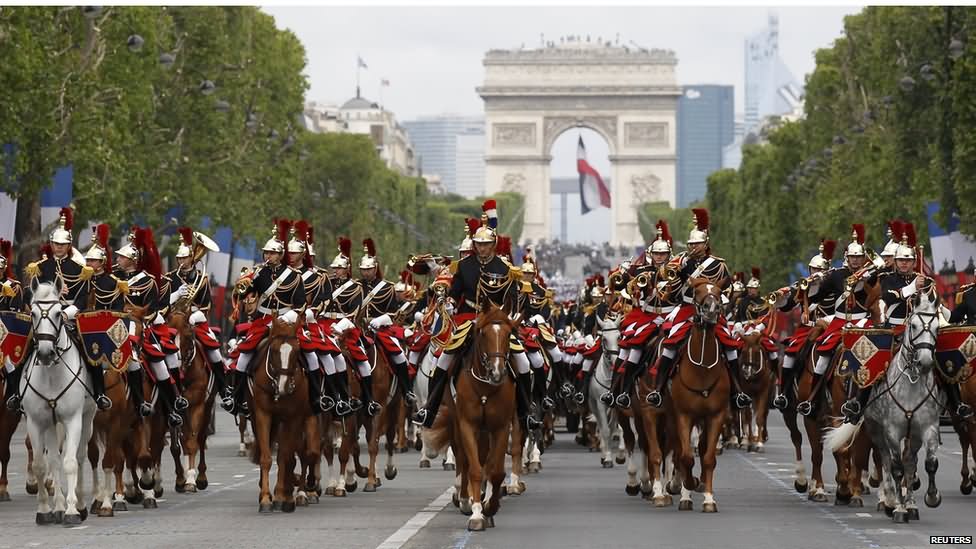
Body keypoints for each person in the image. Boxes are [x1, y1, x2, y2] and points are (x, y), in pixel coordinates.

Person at [412, 201, 540, 430]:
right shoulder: (463, 266)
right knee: (442, 360)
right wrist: (450, 302)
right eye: (479, 244)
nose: (482, 248)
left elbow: (511, 299)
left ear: (493, 244)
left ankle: (525, 412)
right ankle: (429, 410)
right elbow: (456, 292)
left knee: (523, 363)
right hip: (468, 318)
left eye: (486, 244)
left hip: (497, 322)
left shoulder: (505, 268)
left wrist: (508, 319)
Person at [645, 208, 752, 409]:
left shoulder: (719, 265)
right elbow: (670, 287)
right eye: (691, 244)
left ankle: (738, 391)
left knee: (730, 346)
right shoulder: (682, 262)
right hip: (687, 309)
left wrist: (714, 300)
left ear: (706, 244)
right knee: (670, 343)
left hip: (712, 309)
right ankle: (658, 389)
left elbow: (727, 289)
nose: (694, 247)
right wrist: (675, 271)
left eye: (697, 243)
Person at [798, 224, 885, 419]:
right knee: (823, 356)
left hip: (863, 323)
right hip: (839, 323)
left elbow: (880, 292)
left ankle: (879, 397)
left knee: (879, 354)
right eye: (852, 257)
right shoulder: (836, 275)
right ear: (847, 257)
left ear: (864, 258)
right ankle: (813, 398)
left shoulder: (872, 276)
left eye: (859, 257)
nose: (855, 260)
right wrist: (811, 287)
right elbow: (818, 296)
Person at [226, 220, 305, 417]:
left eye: (271, 253)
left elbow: (301, 305)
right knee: (243, 357)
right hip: (261, 322)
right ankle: (237, 398)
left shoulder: (294, 277)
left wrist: (285, 318)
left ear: (280, 255)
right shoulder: (259, 272)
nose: (267, 256)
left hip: (287, 323)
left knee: (311, 356)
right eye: (266, 253)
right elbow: (246, 295)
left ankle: (319, 397)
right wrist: (243, 286)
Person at [600, 220, 676, 409]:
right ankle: (620, 391)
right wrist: (623, 279)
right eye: (657, 253)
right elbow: (621, 284)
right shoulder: (641, 270)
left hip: (671, 315)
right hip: (647, 316)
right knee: (632, 348)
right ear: (651, 254)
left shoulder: (677, 271)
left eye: (663, 254)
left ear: (668, 254)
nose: (659, 257)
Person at [115, 227, 186, 427]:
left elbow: (154, 310)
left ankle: (171, 408)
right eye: (119, 256)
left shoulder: (148, 281)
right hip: (115, 327)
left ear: (133, 259)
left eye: (122, 257)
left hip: (141, 327)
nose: (118, 259)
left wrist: (139, 316)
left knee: (160, 364)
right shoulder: (113, 278)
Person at [163, 226, 232, 410]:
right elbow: (162, 304)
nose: (181, 261)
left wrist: (194, 317)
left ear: (192, 258)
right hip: (172, 320)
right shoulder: (170, 279)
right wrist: (175, 295)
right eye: (179, 258)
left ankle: (224, 390)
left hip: (194, 319)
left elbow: (207, 306)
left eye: (184, 258)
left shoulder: (201, 278)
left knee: (214, 352)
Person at [770, 240, 835, 410]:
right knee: (790, 353)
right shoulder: (802, 286)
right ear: (809, 270)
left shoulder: (835, 285)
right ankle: (783, 393)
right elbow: (787, 305)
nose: (817, 273)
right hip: (807, 329)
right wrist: (781, 298)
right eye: (814, 269)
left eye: (821, 270)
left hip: (830, 327)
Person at [360, 238, 415, 407]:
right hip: (359, 328)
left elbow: (392, 313)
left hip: (380, 329)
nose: (366, 273)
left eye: (369, 269)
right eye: (363, 270)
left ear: (375, 269)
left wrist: (379, 320)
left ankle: (406, 391)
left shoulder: (386, 287)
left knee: (398, 354)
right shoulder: (355, 286)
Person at [0, 239, 28, 410]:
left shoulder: (14, 287)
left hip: (5, 332)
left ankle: (14, 395)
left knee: (10, 362)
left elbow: (15, 313)